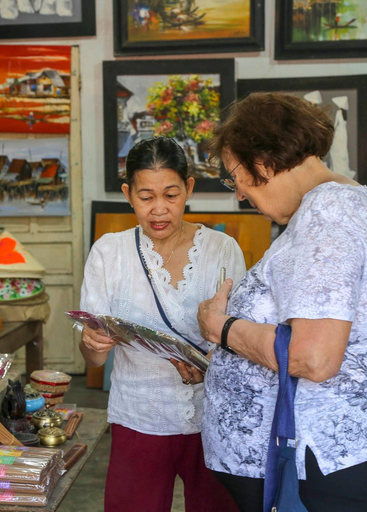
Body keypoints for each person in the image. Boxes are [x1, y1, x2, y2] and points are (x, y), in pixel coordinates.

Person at [174, 93, 367, 512]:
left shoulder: (326, 217)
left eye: (234, 177)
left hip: (314, 467)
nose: (240, 194)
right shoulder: (351, 201)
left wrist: (220, 327)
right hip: (336, 457)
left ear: (261, 163)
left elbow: (313, 357)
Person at [79, 136, 244, 512]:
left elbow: (243, 340)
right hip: (139, 417)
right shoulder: (110, 253)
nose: (159, 210)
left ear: (188, 188)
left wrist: (211, 367)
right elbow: (93, 361)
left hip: (212, 418)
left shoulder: (222, 250)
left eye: (170, 195)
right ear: (127, 194)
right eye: (145, 197)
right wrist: (92, 345)